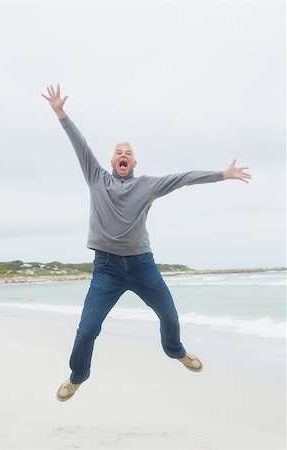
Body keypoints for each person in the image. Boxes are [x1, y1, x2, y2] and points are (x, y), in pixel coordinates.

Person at [42, 84, 251, 402]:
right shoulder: (97, 177)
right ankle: (77, 376)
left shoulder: (148, 185)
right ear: (112, 160)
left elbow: (185, 178)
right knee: (86, 329)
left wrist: (222, 174)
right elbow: (79, 144)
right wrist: (61, 113)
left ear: (134, 163)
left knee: (169, 315)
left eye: (128, 153)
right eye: (118, 152)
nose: (122, 156)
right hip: (106, 270)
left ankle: (176, 351)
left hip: (142, 266)